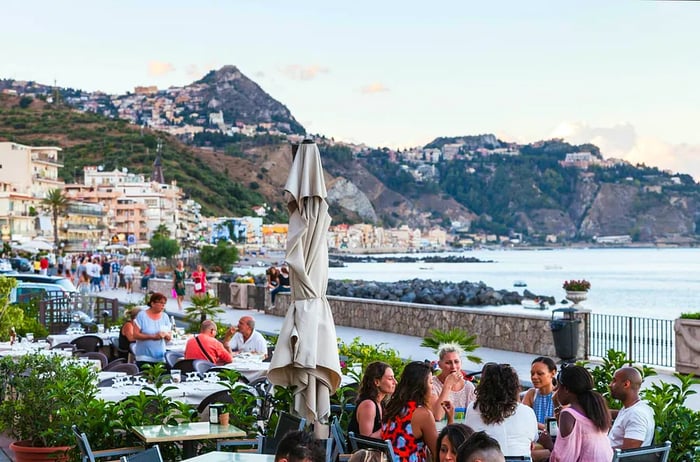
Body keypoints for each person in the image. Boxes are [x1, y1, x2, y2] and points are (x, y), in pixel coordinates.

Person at [464, 363, 538, 458]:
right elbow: (532, 441)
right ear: (514, 387)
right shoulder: (527, 412)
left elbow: (468, 440)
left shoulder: (473, 408)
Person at [547, 365, 613, 462]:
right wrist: (556, 404)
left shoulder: (568, 414)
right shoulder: (596, 408)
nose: (555, 390)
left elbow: (563, 458)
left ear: (566, 389)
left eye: (558, 386)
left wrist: (547, 444)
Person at [381, 361, 438, 462]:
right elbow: (438, 452)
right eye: (431, 383)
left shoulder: (392, 407)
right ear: (421, 386)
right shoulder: (423, 414)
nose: (432, 387)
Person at [608, 367, 655, 449]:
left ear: (626, 384)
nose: (610, 385)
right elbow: (622, 415)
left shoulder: (636, 415)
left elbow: (627, 456)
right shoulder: (635, 407)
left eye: (614, 381)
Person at [347, 361, 398, 438]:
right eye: (390, 378)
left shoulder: (380, 403)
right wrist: (390, 426)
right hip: (363, 449)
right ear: (377, 382)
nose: (395, 382)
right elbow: (366, 440)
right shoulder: (368, 405)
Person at [430, 343, 476, 422]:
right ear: (440, 364)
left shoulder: (469, 387)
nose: (453, 366)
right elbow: (437, 416)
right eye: (448, 362)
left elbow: (475, 416)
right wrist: (447, 385)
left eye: (456, 362)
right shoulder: (432, 384)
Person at [132, 292, 172, 370]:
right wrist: (153, 336)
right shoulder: (142, 316)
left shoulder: (165, 317)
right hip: (144, 357)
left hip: (160, 356)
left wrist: (166, 336)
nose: (163, 305)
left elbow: (169, 336)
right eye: (160, 303)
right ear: (153, 303)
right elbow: (135, 335)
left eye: (164, 303)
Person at [522, 356, 558, 430]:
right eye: (532, 373)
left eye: (540, 373)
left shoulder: (558, 396)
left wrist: (533, 424)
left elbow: (555, 428)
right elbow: (523, 418)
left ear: (553, 373)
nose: (534, 377)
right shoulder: (531, 394)